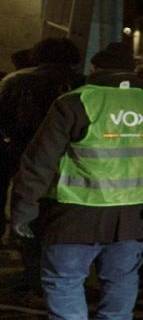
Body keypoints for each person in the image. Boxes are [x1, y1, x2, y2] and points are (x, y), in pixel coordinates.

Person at [10, 43, 143, 320]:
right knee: (121, 282)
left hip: (77, 210)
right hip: (133, 211)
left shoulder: (77, 101)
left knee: (64, 282)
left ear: (94, 69)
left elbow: (40, 160)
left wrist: (24, 208)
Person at [0, 37, 85, 297]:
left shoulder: (16, 82)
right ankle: (58, 278)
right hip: (69, 162)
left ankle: (33, 275)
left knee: (26, 219)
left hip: (21, 159)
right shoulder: (81, 85)